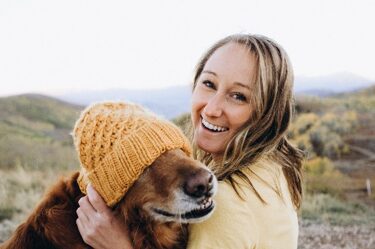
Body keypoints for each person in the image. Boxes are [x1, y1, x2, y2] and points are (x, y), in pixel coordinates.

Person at [76, 34, 304, 249]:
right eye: (208, 84)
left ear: (268, 114)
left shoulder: (224, 206)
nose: (212, 109)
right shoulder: (274, 168)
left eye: (239, 96)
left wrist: (119, 246)